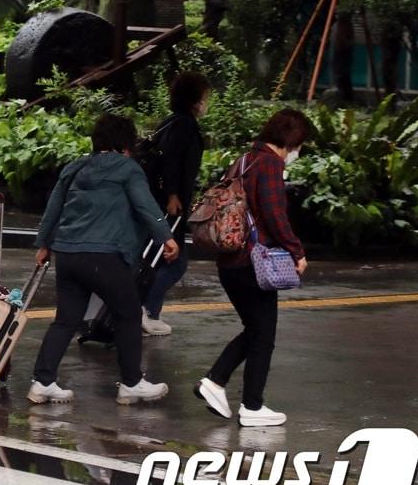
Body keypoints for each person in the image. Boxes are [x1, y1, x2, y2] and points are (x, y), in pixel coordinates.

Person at [29, 113, 177, 406]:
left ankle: (43, 381)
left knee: (66, 320)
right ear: (126, 143)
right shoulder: (128, 169)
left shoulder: (74, 168)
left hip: (68, 254)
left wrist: (43, 244)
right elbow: (145, 206)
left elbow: (53, 208)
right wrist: (166, 237)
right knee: (129, 313)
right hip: (104, 255)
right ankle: (132, 383)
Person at [196, 109, 312, 428]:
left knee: (256, 330)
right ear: (291, 139)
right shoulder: (270, 164)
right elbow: (275, 215)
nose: (297, 152)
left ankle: (215, 382)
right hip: (254, 262)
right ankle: (251, 406)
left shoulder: (245, 160)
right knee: (264, 335)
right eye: (299, 144)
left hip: (230, 262)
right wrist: (296, 251)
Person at [142, 72, 212, 335]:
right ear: (194, 99)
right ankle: (147, 310)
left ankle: (147, 311)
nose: (206, 102)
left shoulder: (172, 122)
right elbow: (171, 161)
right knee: (175, 261)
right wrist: (172, 194)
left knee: (163, 258)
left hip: (165, 199)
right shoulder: (184, 126)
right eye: (204, 97)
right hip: (171, 202)